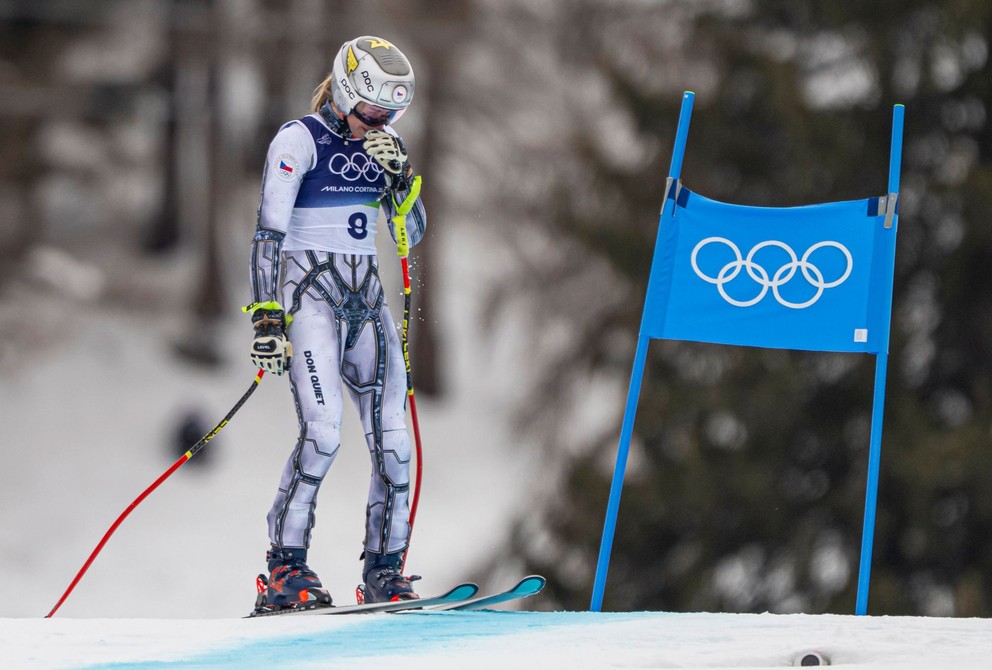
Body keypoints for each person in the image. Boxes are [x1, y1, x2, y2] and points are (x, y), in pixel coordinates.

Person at [245, 35, 426, 611]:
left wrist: (400, 183)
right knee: (323, 435)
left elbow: (411, 233)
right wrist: (266, 317)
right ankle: (285, 569)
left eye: (390, 113)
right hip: (310, 301)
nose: (379, 121)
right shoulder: (299, 139)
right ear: (347, 92)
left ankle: (384, 569)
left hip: (365, 299)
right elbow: (268, 232)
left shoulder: (388, 145)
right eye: (372, 110)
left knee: (395, 443)